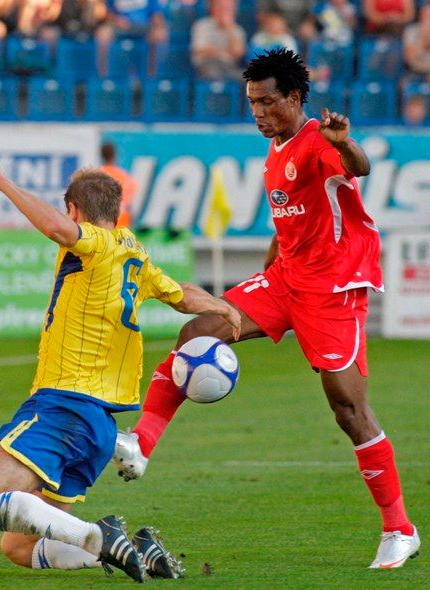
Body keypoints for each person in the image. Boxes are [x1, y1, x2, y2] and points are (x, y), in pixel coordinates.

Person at [113, 48, 421, 570]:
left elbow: (357, 167)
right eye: (251, 102)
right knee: (200, 329)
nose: (257, 112)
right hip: (285, 279)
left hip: (332, 290)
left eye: (267, 102)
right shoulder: (275, 150)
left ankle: (400, 528)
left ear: (295, 97)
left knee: (348, 410)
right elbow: (287, 230)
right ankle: (141, 443)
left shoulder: (318, 143)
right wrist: (253, 286)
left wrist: (346, 144)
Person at [0, 136, 241, 582]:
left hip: (64, 404)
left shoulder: (92, 243)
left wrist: (0, 180)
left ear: (74, 210)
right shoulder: (134, 253)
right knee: (18, 546)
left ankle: (98, 537)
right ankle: (134, 552)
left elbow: (57, 229)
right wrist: (223, 305)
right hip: (99, 428)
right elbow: (182, 296)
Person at [190, 0, 246, 81]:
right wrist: (224, 52)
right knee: (215, 75)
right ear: (212, 8)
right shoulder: (202, 26)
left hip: (229, 67)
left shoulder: (237, 29)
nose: (224, 10)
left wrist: (230, 29)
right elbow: (200, 51)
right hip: (207, 65)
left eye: (228, 8)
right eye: (221, 6)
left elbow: (238, 53)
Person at [101, 141, 138, 228]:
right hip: (121, 218)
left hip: (103, 219)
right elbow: (129, 202)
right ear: (114, 155)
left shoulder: (96, 175)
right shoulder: (123, 175)